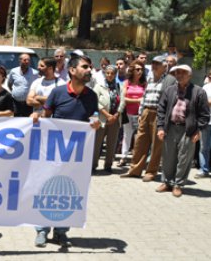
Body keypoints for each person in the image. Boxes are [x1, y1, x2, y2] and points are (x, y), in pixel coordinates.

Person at [30, 55, 100, 248]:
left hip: (76, 156)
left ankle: (61, 232)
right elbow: (45, 117)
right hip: (53, 154)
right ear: (72, 70)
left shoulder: (91, 96)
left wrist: (95, 123)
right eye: (85, 67)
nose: (89, 70)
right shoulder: (57, 93)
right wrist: (36, 117)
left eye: (90, 67)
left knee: (68, 191)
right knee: (47, 189)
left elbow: (93, 117)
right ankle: (42, 230)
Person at [157, 65, 210, 197]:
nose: (179, 75)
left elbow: (205, 115)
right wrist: (160, 127)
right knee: (168, 157)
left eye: (183, 73)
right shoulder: (169, 90)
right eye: (177, 73)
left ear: (190, 75)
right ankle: (167, 182)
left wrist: (198, 130)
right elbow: (161, 110)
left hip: (188, 130)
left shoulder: (198, 91)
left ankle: (178, 184)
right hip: (170, 128)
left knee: (184, 158)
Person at [120, 56, 175, 180]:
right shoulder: (150, 79)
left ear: (164, 66)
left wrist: (165, 119)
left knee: (156, 144)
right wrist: (141, 113)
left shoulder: (170, 80)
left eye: (158, 64)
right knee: (140, 142)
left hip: (158, 114)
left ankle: (151, 171)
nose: (154, 66)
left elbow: (171, 100)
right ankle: (135, 170)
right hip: (146, 112)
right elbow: (144, 97)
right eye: (153, 63)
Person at [117, 60, 147, 166]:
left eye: (141, 69)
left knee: (139, 137)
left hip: (140, 115)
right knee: (126, 135)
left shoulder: (144, 84)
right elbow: (123, 98)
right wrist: (138, 100)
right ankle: (123, 157)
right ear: (132, 70)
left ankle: (137, 159)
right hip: (128, 114)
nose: (140, 71)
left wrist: (136, 100)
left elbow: (146, 99)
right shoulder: (127, 83)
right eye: (137, 69)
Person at [92, 66, 121, 172]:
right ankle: (93, 165)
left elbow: (122, 102)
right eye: (107, 73)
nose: (109, 75)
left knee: (112, 143)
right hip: (102, 119)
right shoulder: (99, 86)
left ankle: (108, 165)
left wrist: (116, 114)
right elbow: (95, 101)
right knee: (97, 143)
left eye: (112, 73)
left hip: (115, 119)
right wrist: (107, 115)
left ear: (115, 74)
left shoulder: (118, 86)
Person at [196, 66, 211, 180]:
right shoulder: (206, 87)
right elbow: (199, 102)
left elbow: (204, 102)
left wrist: (205, 102)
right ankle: (204, 170)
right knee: (203, 148)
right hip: (205, 121)